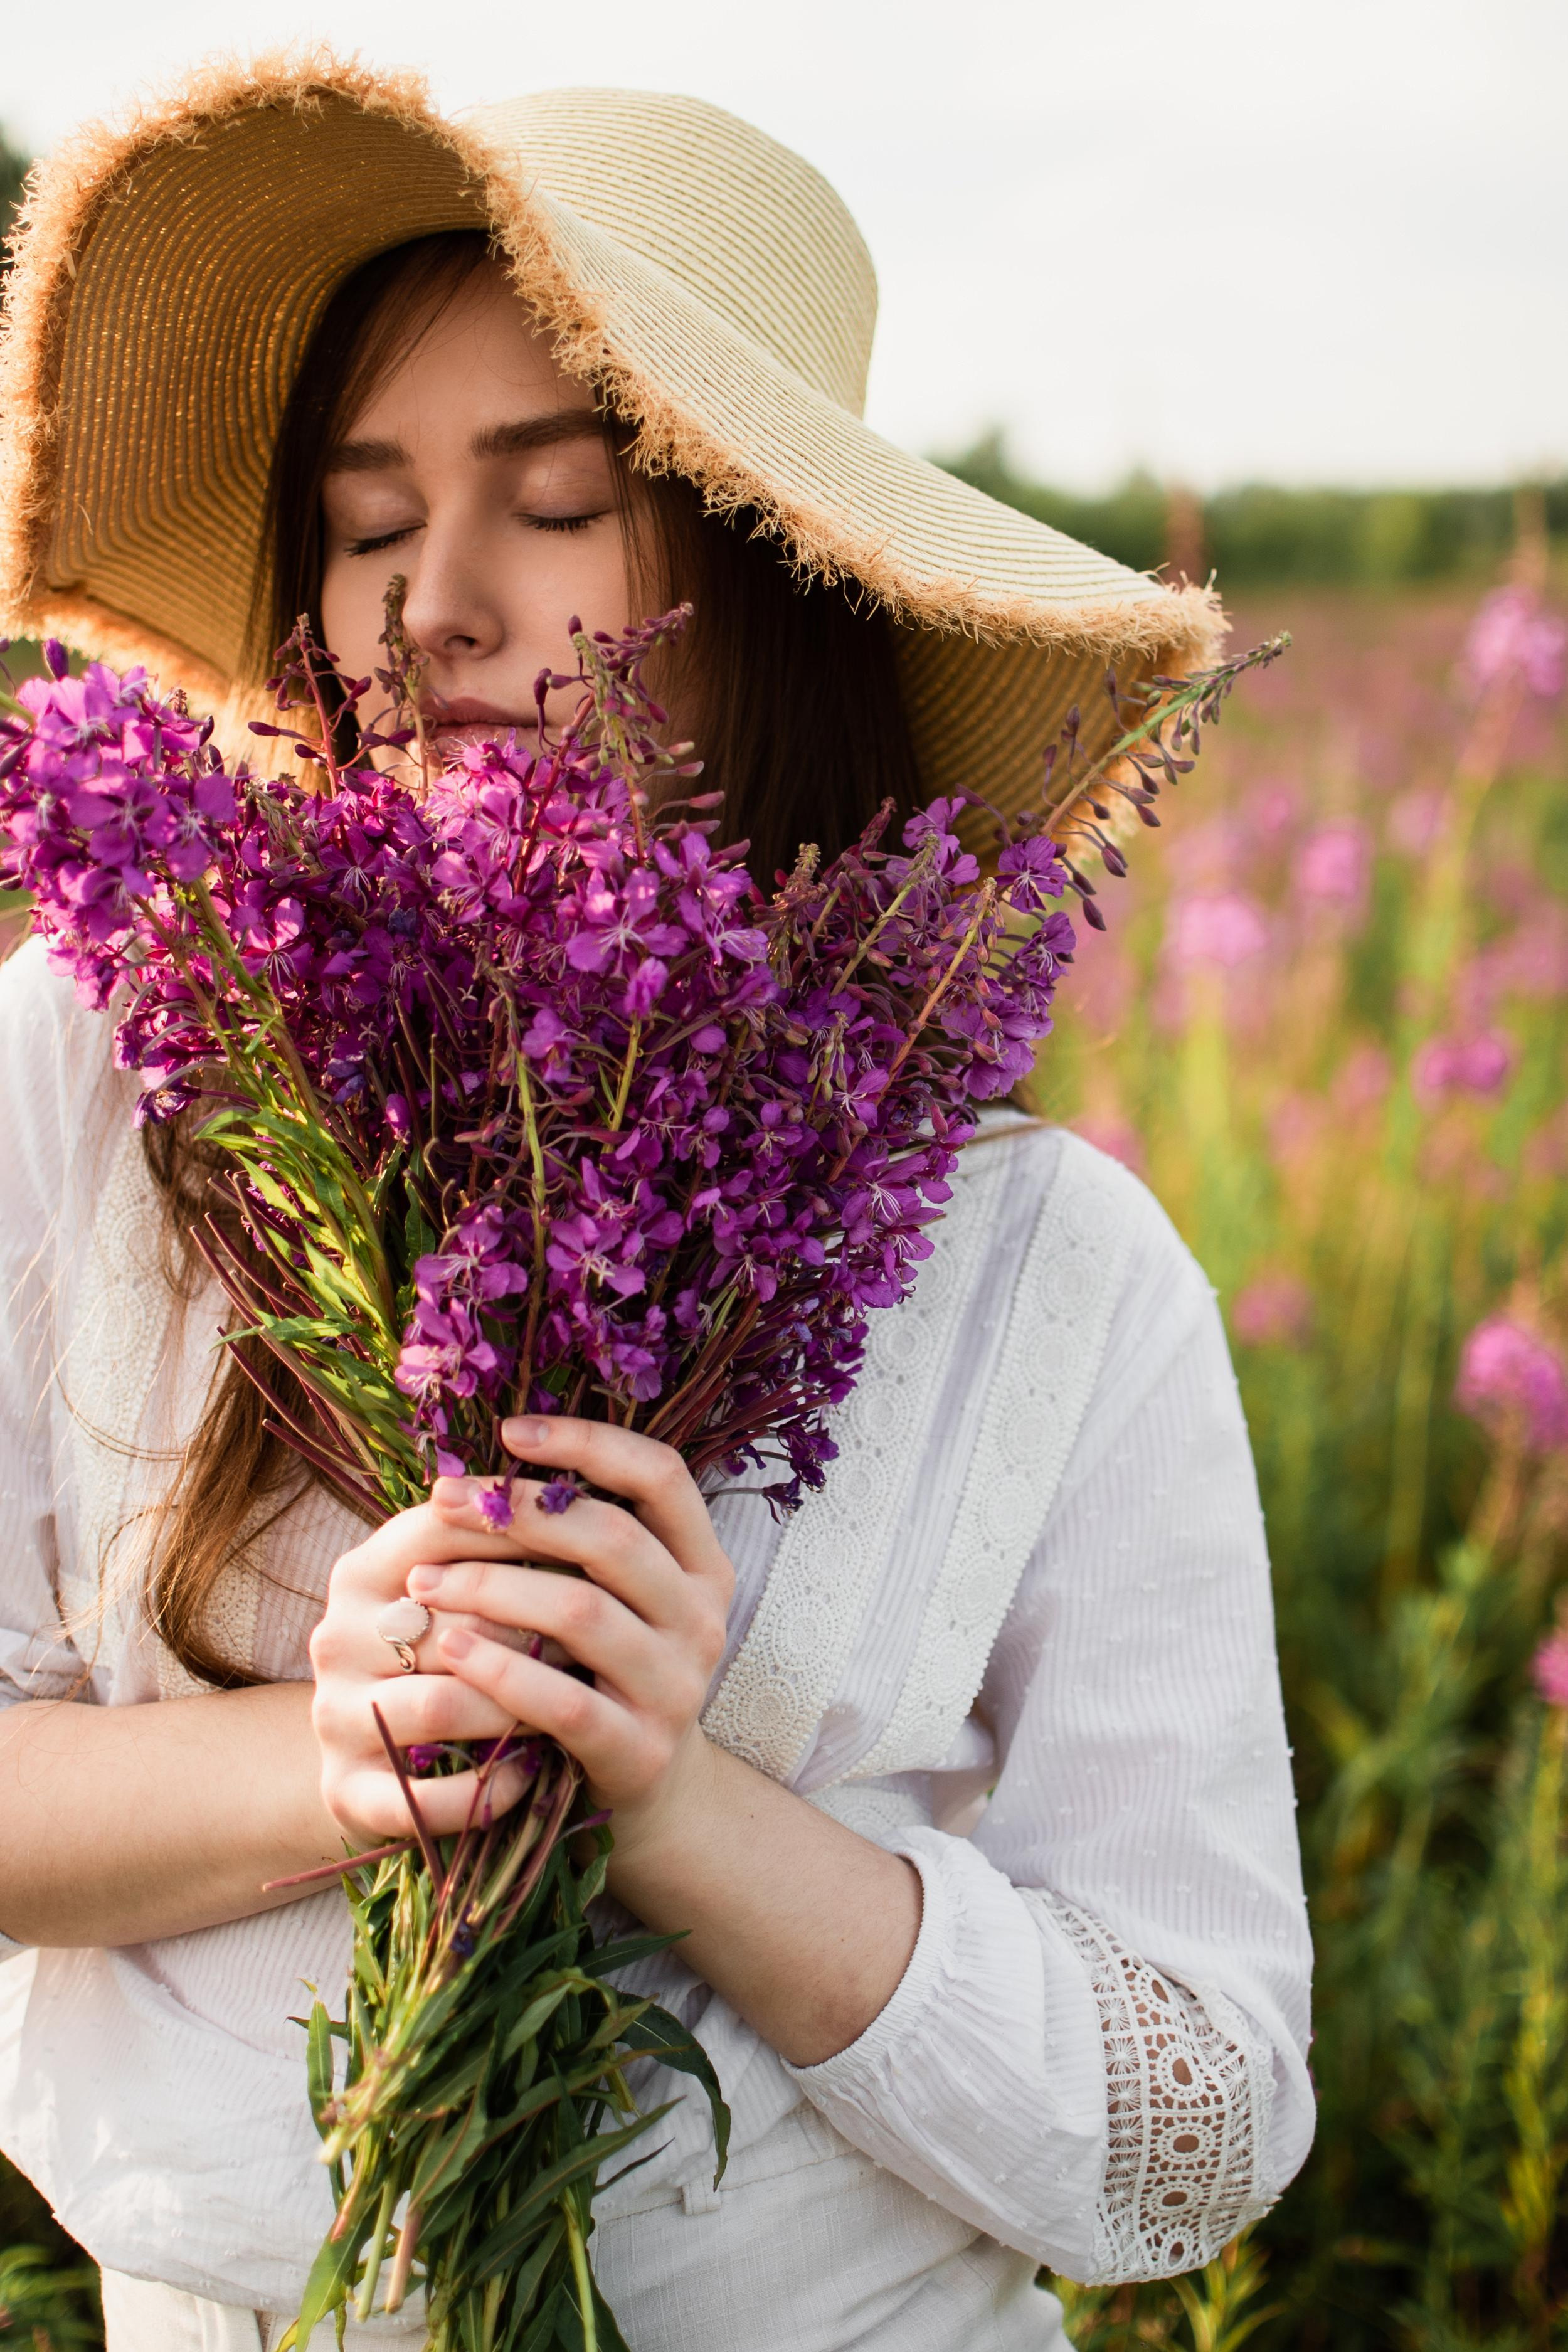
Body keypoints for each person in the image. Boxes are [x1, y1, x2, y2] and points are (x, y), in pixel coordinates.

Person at [0, 60, 1313, 2352]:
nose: (430, 608)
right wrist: (339, 1753)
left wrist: (677, 1804)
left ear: (771, 578)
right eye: (363, 515)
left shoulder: (1040, 1264)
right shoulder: (82, 1083)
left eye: (560, 504)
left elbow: (1188, 2130)